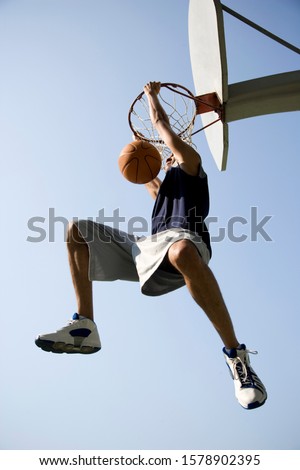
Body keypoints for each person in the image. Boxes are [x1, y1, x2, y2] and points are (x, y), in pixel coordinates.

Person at [35, 81, 267, 410]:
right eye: (166, 157)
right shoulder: (165, 190)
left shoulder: (192, 166)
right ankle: (84, 324)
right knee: (76, 229)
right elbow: (147, 179)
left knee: (181, 250)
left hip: (185, 244)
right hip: (148, 250)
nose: (169, 157)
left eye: (172, 154)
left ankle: (236, 358)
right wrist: (141, 157)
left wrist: (152, 97)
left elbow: (162, 127)